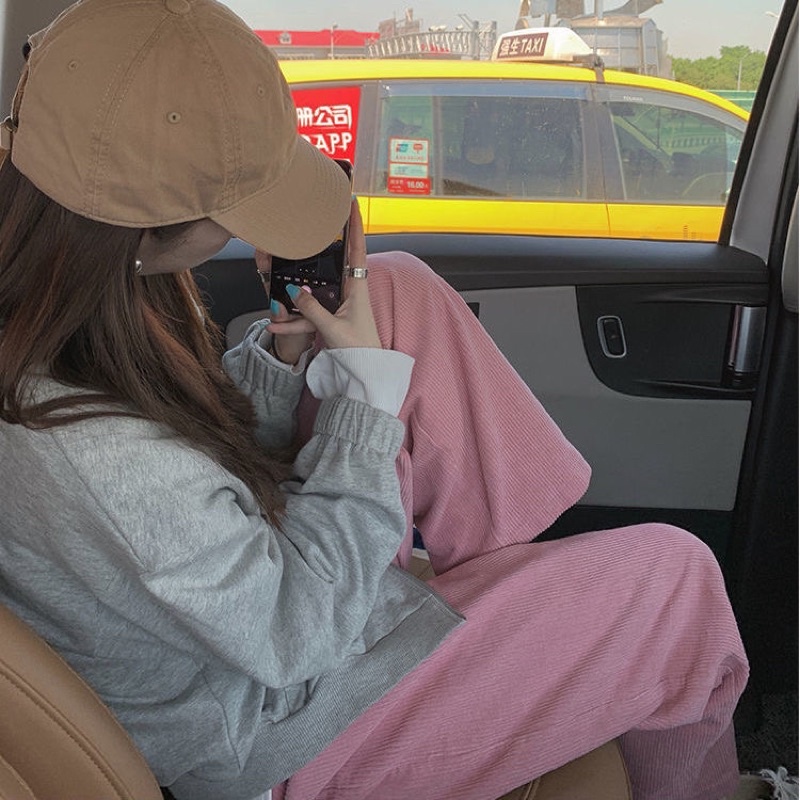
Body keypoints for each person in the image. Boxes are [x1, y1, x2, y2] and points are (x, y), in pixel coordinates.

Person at [0, 2, 749, 799]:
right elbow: (291, 632)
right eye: (236, 213)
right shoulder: (84, 448)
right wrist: (361, 398)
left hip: (260, 638)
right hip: (274, 733)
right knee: (681, 583)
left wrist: (287, 353)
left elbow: (187, 480)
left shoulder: (84, 304)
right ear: (144, 229)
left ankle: (516, 598)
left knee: (392, 289)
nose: (246, 235)